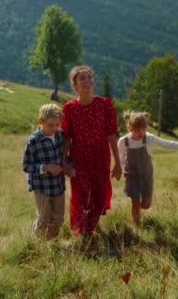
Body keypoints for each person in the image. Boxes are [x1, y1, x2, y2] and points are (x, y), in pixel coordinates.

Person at [61, 65, 122, 236]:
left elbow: (111, 135)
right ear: (75, 85)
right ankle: (82, 231)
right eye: (82, 78)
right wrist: (64, 160)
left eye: (89, 77)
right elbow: (67, 138)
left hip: (101, 156)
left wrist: (118, 163)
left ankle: (91, 226)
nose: (87, 81)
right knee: (81, 195)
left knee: (98, 194)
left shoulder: (105, 104)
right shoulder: (69, 108)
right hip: (79, 157)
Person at [118, 111, 178, 229]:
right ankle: (137, 227)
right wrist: (117, 170)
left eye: (143, 129)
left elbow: (167, 143)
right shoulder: (124, 141)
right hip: (131, 176)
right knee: (135, 202)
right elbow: (120, 158)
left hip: (146, 176)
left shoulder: (149, 139)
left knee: (146, 205)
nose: (141, 133)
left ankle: (138, 212)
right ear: (129, 128)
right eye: (137, 130)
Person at [22, 103, 68, 239]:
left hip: (58, 185)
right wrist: (45, 167)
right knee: (44, 219)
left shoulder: (60, 136)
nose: (54, 128)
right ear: (41, 122)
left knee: (58, 218)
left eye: (57, 125)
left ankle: (52, 240)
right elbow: (26, 166)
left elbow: (64, 156)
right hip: (42, 187)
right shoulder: (34, 141)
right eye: (50, 125)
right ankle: (39, 241)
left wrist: (68, 166)